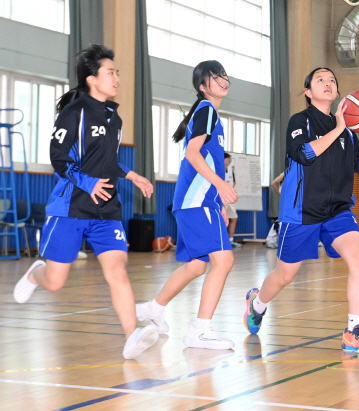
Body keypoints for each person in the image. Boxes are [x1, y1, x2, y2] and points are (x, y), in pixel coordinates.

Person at [13, 44, 158, 360]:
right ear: (92, 79)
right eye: (110, 72)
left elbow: (106, 161)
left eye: (117, 72)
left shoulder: (113, 118)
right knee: (54, 282)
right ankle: (36, 272)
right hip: (70, 208)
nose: (116, 77)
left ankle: (132, 334)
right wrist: (86, 182)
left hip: (106, 209)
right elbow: (58, 158)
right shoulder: (74, 112)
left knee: (117, 270)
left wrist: (132, 175)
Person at [244, 67, 359, 354]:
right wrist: (339, 129)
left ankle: (353, 331)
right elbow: (304, 153)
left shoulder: (346, 131)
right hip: (301, 211)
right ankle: (257, 304)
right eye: (320, 80)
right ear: (308, 92)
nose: (328, 83)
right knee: (285, 275)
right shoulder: (300, 121)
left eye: (332, 80)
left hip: (338, 211)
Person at [136, 61, 238, 350]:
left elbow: (206, 159)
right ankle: (199, 330)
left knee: (195, 266)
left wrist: (216, 200)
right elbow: (193, 154)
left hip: (199, 201)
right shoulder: (206, 110)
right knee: (224, 261)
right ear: (202, 87)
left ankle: (154, 308)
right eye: (214, 77)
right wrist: (220, 186)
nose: (222, 79)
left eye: (223, 74)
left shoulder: (210, 114)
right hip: (196, 201)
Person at [224, 152, 241, 247]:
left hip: (229, 198)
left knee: (234, 218)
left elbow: (234, 182)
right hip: (222, 197)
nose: (229, 161)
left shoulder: (230, 170)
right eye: (227, 159)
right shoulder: (217, 169)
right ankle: (221, 240)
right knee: (222, 218)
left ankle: (230, 240)